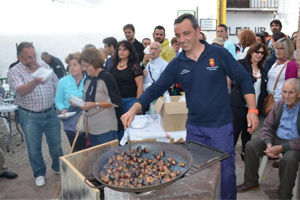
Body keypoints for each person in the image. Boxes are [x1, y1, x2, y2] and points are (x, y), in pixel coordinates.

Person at [121, 14, 258, 200]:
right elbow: (155, 89)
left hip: (220, 127)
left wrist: (252, 110)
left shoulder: (218, 54)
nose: (182, 39)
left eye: (186, 33)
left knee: (226, 175)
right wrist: (132, 109)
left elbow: (243, 78)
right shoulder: (177, 64)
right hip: (194, 129)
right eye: (178, 35)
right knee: (197, 176)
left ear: (198, 32)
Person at [8, 42, 63, 187]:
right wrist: (35, 81)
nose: (33, 60)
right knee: (34, 147)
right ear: (19, 58)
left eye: (34, 56)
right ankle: (39, 173)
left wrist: (61, 105)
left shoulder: (44, 66)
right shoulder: (14, 71)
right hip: (29, 116)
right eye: (28, 58)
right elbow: (22, 91)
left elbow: (57, 85)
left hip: (50, 113)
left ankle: (58, 168)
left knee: (56, 144)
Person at [237, 78, 300, 200]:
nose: (286, 96)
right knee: (251, 146)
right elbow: (267, 126)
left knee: (288, 159)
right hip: (277, 138)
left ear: (298, 93)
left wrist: (282, 148)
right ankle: (251, 182)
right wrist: (268, 143)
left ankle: (284, 196)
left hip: (295, 144)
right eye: (284, 92)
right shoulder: (279, 104)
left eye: (291, 92)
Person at [77, 47, 124, 146]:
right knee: (97, 158)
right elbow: (87, 98)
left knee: (106, 159)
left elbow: (115, 101)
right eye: (83, 66)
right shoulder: (88, 78)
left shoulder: (106, 77)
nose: (84, 69)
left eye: (87, 66)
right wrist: (79, 102)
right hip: (92, 128)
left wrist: (94, 105)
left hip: (106, 128)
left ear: (95, 62)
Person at [230, 43, 269, 161]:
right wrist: (250, 77)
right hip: (238, 104)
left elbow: (262, 89)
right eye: (257, 52)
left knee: (248, 132)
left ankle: (245, 153)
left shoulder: (263, 69)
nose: (259, 55)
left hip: (253, 106)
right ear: (251, 52)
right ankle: (229, 154)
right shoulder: (241, 63)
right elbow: (237, 80)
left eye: (262, 53)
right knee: (235, 131)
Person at [55, 52, 87, 152]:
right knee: (75, 150)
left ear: (82, 66)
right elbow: (58, 100)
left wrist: (82, 102)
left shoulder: (89, 79)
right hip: (70, 121)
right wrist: (63, 109)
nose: (71, 68)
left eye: (75, 64)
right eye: (69, 65)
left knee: (88, 150)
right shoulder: (63, 81)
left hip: (86, 120)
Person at [111, 40, 143, 113]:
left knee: (130, 123)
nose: (121, 51)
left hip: (131, 101)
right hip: (117, 101)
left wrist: (138, 104)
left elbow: (140, 87)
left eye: (124, 49)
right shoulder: (114, 65)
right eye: (119, 49)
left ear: (130, 51)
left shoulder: (134, 67)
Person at [267, 37, 298, 102]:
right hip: (271, 98)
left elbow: (291, 87)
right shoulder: (276, 62)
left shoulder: (291, 65)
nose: (278, 51)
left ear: (288, 49)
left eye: (281, 49)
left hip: (282, 101)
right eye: (276, 48)